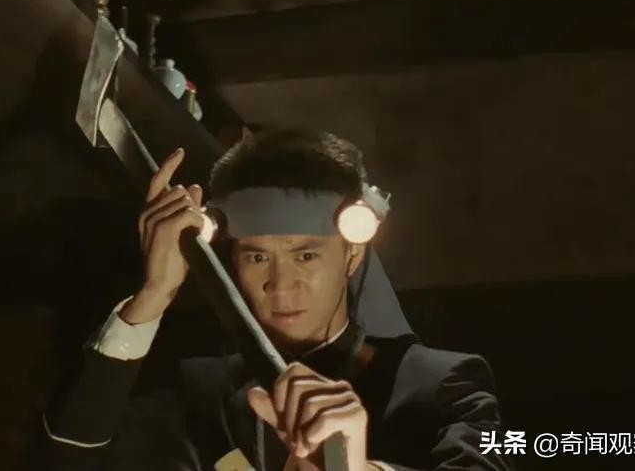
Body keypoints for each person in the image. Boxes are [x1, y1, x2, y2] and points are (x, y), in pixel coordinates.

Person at [37, 130, 513, 470]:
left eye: (306, 255)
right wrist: (153, 295)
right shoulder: (202, 394)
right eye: (257, 257)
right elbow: (66, 459)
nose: (281, 286)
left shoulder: (444, 385)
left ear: (352, 253)